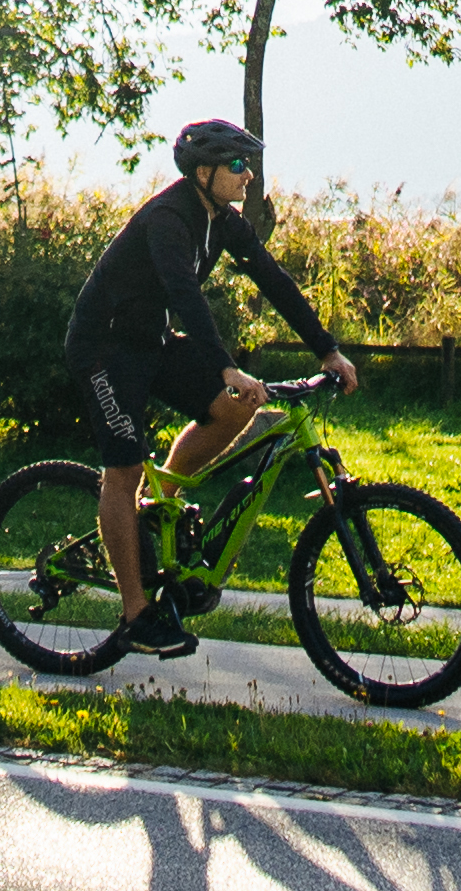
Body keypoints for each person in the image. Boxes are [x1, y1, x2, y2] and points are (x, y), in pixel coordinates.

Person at [65, 116, 346, 655]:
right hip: (102, 347)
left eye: (250, 166)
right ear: (203, 171)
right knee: (123, 470)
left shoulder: (223, 219)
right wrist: (224, 365)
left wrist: (327, 348)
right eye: (238, 166)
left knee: (232, 409)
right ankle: (135, 615)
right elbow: (183, 292)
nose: (248, 176)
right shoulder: (170, 218)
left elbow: (272, 278)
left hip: (149, 340)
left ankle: (160, 505)